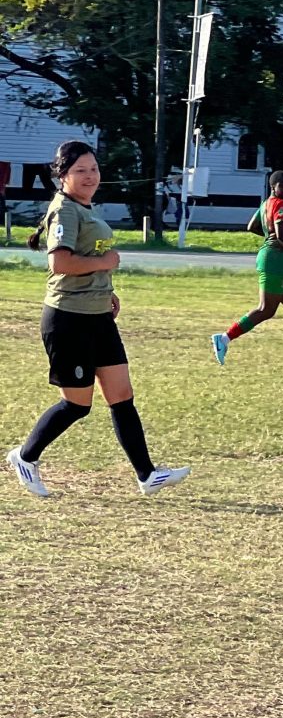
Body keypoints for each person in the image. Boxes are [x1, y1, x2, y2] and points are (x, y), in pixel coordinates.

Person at [6, 141, 191, 498]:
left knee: (122, 396)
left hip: (98, 316)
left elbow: (88, 258)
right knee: (77, 404)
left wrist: (107, 290)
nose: (90, 176)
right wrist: (104, 265)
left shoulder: (84, 207)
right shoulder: (66, 211)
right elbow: (60, 263)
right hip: (69, 319)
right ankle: (25, 457)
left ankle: (147, 475)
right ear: (62, 176)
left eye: (93, 169)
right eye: (80, 171)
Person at [211, 171, 283, 370]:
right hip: (274, 262)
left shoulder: (267, 203)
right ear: (273, 188)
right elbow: (282, 233)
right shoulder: (281, 206)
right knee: (266, 310)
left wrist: (270, 236)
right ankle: (223, 339)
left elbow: (252, 226)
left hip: (281, 262)